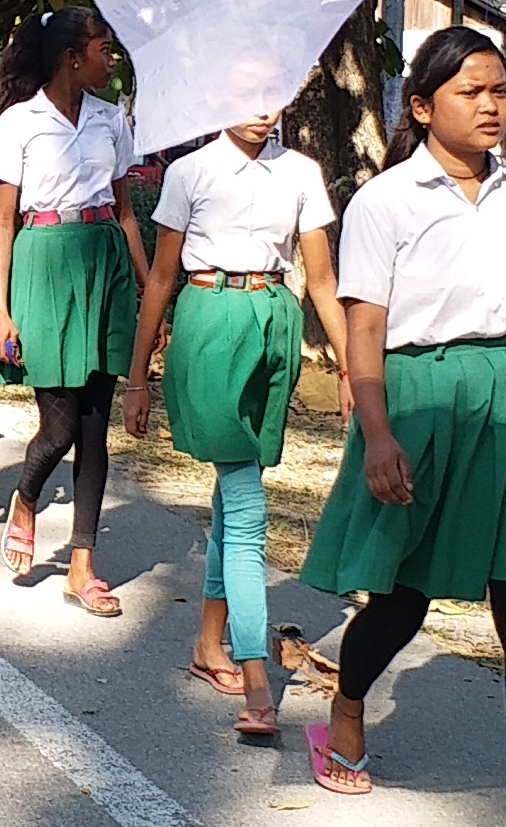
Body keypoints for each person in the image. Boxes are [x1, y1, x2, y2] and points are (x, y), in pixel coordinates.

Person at [293, 30, 506, 827]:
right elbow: (367, 327)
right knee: (405, 598)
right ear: (422, 107)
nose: (493, 105)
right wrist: (377, 432)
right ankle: (347, 706)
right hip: (420, 401)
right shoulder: (386, 201)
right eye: (472, 92)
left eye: (501, 91)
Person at [124, 106, 350, 741]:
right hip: (207, 323)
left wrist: (350, 371)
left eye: (273, 94)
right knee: (249, 503)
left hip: (273, 319)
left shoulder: (301, 172)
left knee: (235, 494)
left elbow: (324, 280)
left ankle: (206, 644)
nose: (261, 110)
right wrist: (138, 377)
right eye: (247, 93)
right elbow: (162, 277)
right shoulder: (190, 172)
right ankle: (256, 675)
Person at [0, 9, 146, 616]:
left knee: (96, 424)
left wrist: (146, 285)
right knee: (60, 427)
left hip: (103, 260)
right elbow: (2, 220)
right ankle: (26, 494)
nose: (112, 60)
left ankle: (83, 566)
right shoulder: (20, 122)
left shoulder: (111, 120)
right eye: (105, 50)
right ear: (72, 58)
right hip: (45, 264)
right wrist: (2, 311)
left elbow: (126, 210)